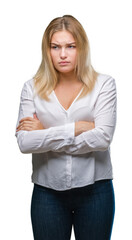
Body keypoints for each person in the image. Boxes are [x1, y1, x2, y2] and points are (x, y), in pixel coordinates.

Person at [16, 15, 117, 240]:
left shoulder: (104, 85)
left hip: (96, 191)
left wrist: (44, 134)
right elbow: (24, 143)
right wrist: (77, 128)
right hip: (47, 194)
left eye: (70, 46)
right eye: (55, 47)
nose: (63, 54)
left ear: (81, 48)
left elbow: (102, 139)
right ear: (47, 50)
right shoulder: (31, 88)